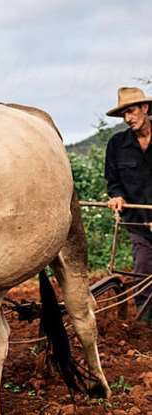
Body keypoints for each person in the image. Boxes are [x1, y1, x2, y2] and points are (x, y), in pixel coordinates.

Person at [104, 86, 152, 323]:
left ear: (145, 108)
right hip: (137, 221)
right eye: (124, 114)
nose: (128, 118)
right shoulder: (116, 144)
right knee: (142, 269)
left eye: (131, 111)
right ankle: (145, 326)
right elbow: (113, 182)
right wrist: (117, 196)